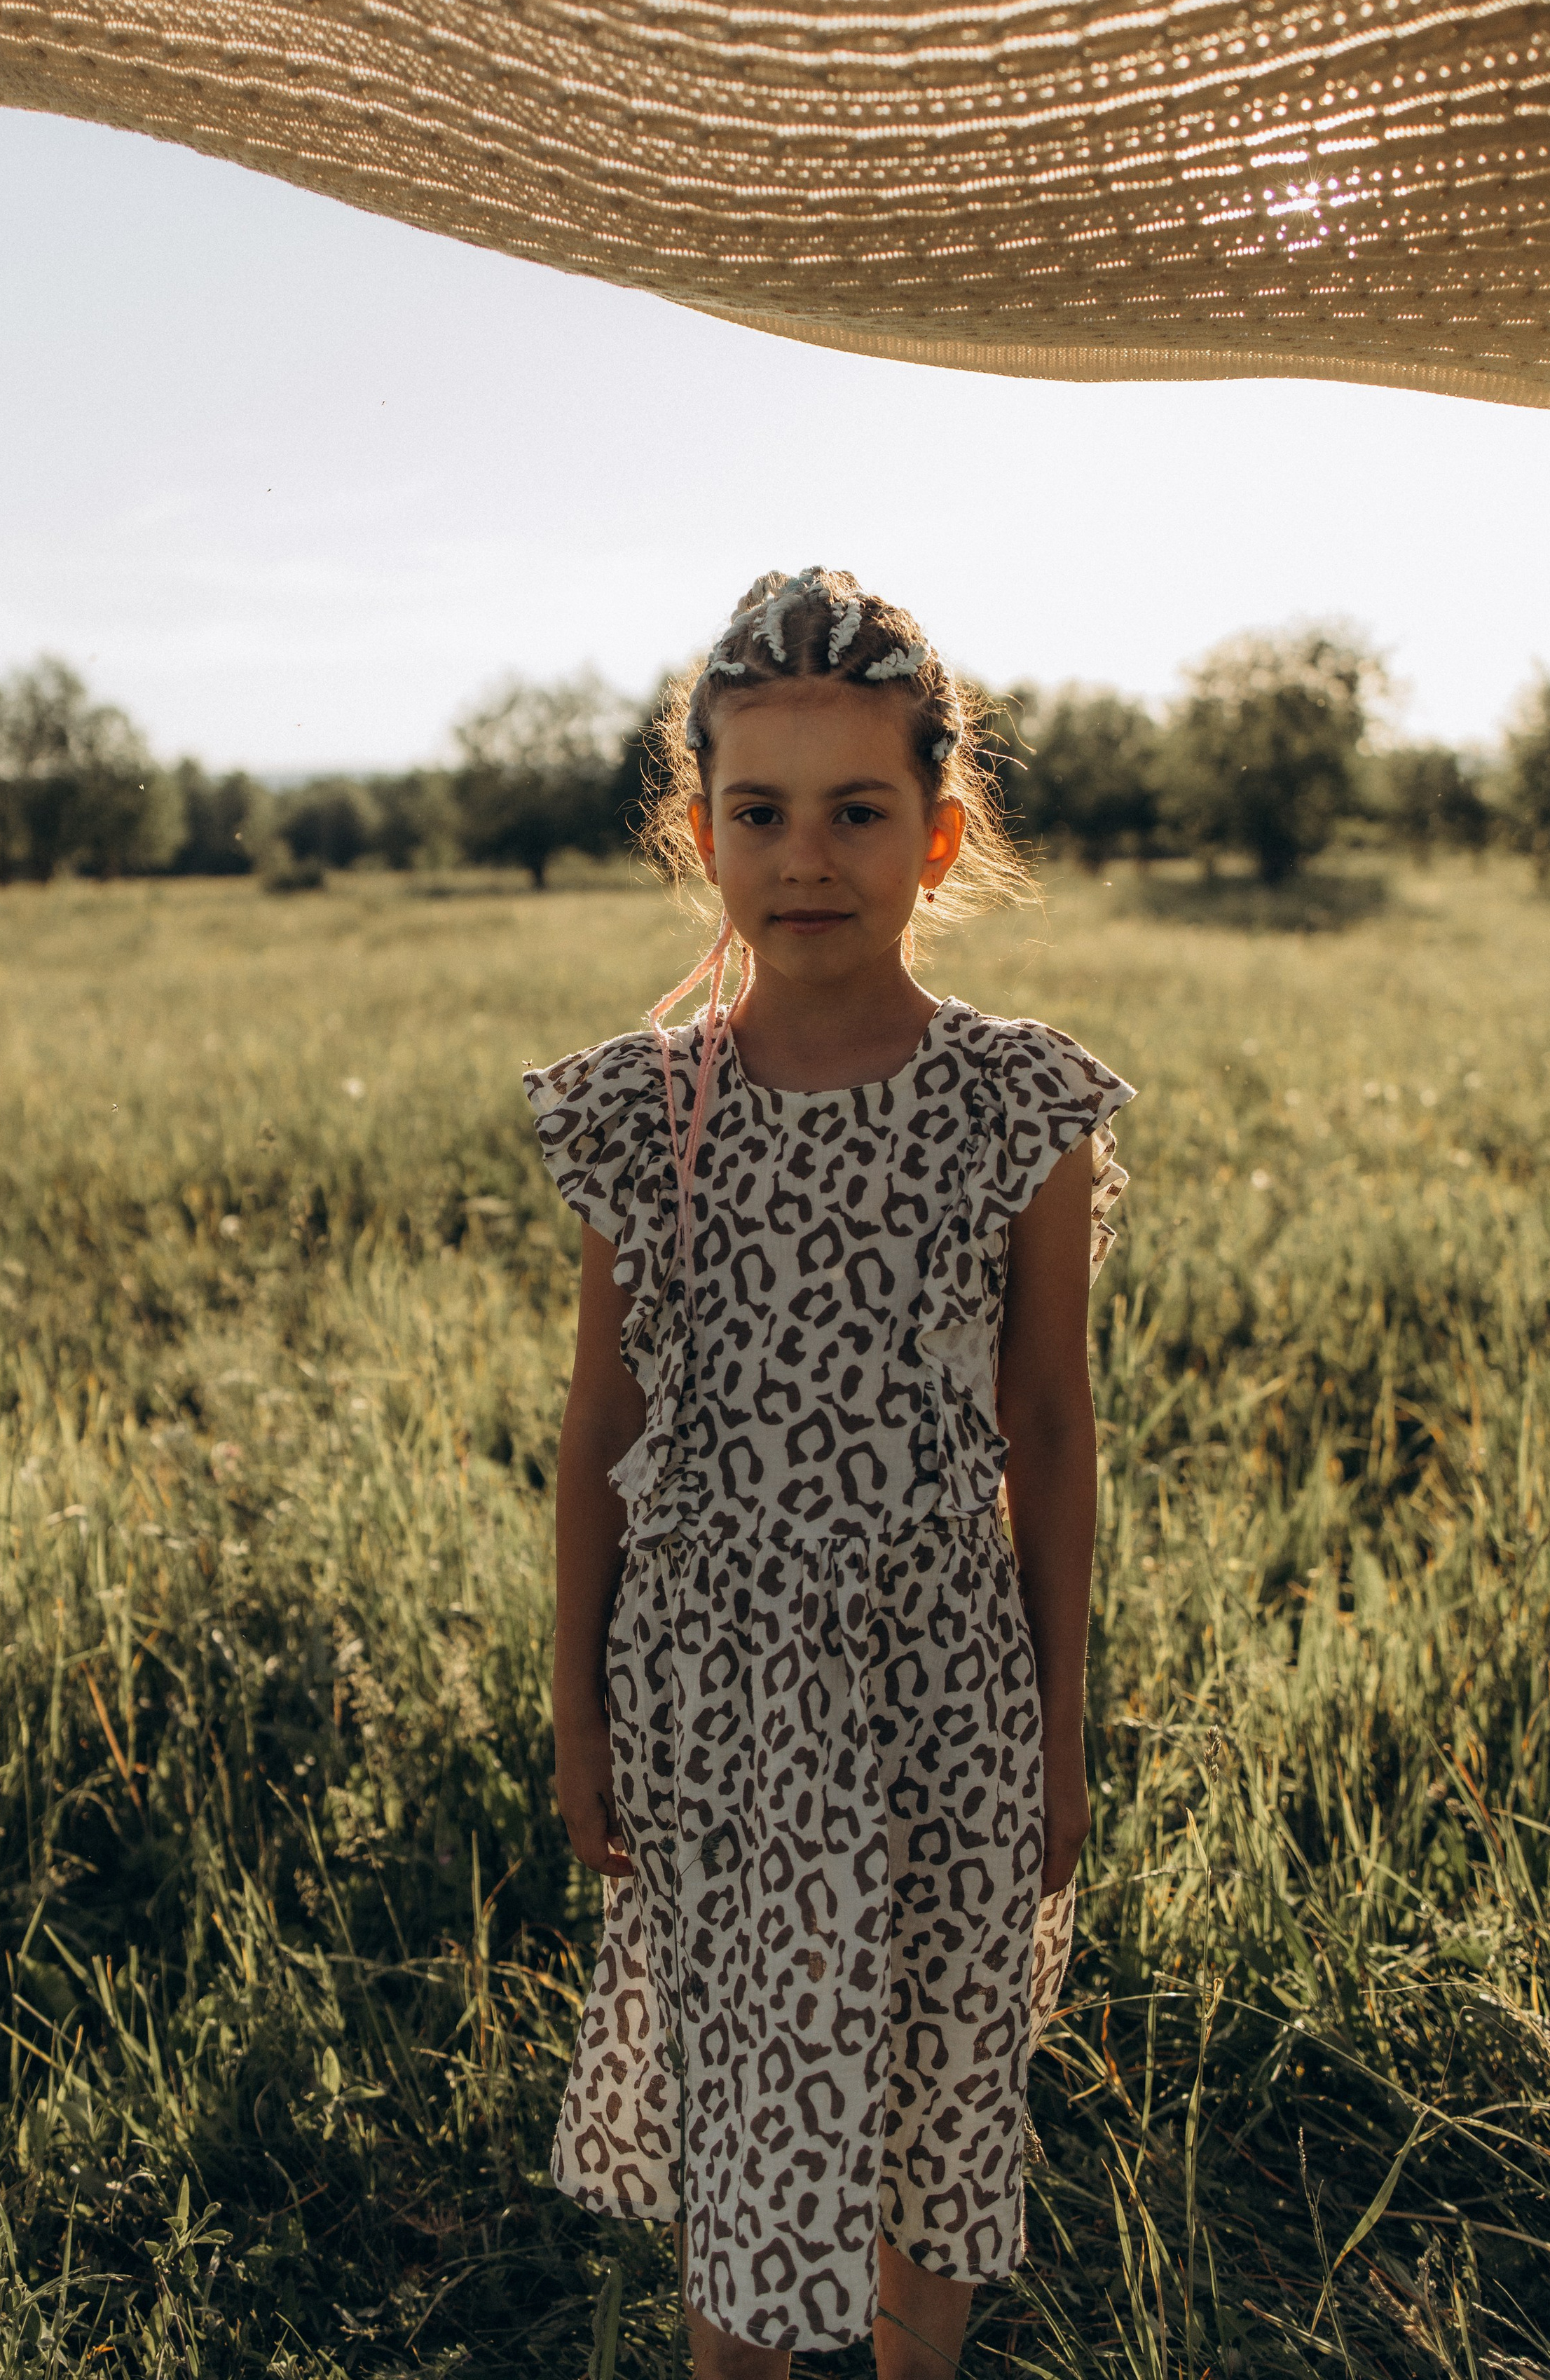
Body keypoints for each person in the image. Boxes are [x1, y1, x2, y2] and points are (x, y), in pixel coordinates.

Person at [523, 569, 1133, 2379]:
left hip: (951, 1692)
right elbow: (599, 1435)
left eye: (859, 812)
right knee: (763, 2164)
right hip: (720, 1703)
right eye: (761, 814)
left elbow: (1048, 1427)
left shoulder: (1015, 1104)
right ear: (697, 833)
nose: (808, 858)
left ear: (939, 839)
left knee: (937, 2118)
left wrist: (1063, 1724)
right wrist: (575, 1707)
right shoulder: (653, 1110)